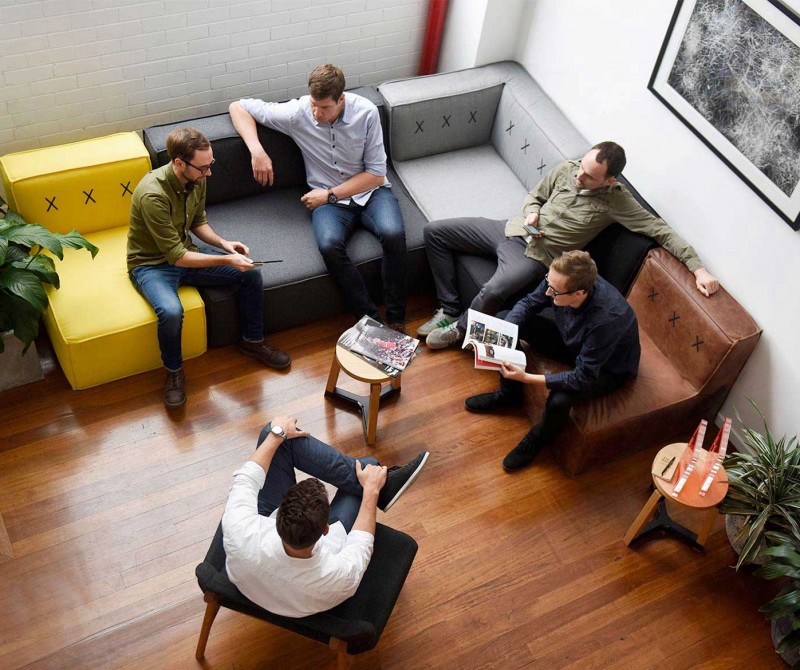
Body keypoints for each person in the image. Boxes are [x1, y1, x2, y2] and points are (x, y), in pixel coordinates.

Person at [420, 141, 720, 349]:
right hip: (510, 229)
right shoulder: (568, 168)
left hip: (535, 257)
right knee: (435, 232)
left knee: (494, 290)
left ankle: (459, 330)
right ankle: (450, 308)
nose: (579, 176)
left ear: (609, 180)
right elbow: (535, 196)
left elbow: (661, 231)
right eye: (581, 167)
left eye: (589, 176)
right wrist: (532, 212)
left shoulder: (618, 202)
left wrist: (698, 269)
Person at [229, 63, 408, 330]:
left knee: (393, 234)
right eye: (314, 104)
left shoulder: (367, 113)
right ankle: (370, 321)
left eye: (324, 107)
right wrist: (257, 151)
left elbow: (375, 174)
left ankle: (396, 320)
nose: (316, 113)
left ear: (341, 99)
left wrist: (329, 195)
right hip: (329, 202)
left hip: (369, 193)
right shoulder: (297, 113)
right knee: (329, 245)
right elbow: (238, 107)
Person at [127, 127, 290, 409]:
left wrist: (225, 244)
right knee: (171, 312)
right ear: (179, 163)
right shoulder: (152, 195)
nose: (209, 173)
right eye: (203, 168)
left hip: (184, 252)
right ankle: (174, 372)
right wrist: (227, 260)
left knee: (251, 272)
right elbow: (176, 257)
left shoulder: (197, 178)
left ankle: (253, 342)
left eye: (210, 164)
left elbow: (198, 222)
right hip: (152, 265)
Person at [221, 416, 429, 617]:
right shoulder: (339, 574)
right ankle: (386, 487)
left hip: (248, 583)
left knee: (274, 434)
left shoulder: (239, 529)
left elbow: (246, 478)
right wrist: (372, 491)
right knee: (367, 466)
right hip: (303, 603)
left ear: (278, 514)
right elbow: (362, 543)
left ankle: (384, 485)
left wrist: (276, 433)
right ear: (325, 529)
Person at [464, 250, 640, 472]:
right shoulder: (559, 280)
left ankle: (536, 439)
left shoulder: (606, 321)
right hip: (574, 342)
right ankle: (509, 394)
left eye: (554, 291)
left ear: (579, 293)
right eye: (548, 282)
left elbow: (582, 377)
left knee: (559, 400)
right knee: (504, 322)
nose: (548, 292)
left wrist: (526, 377)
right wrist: (505, 332)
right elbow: (529, 302)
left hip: (606, 368)